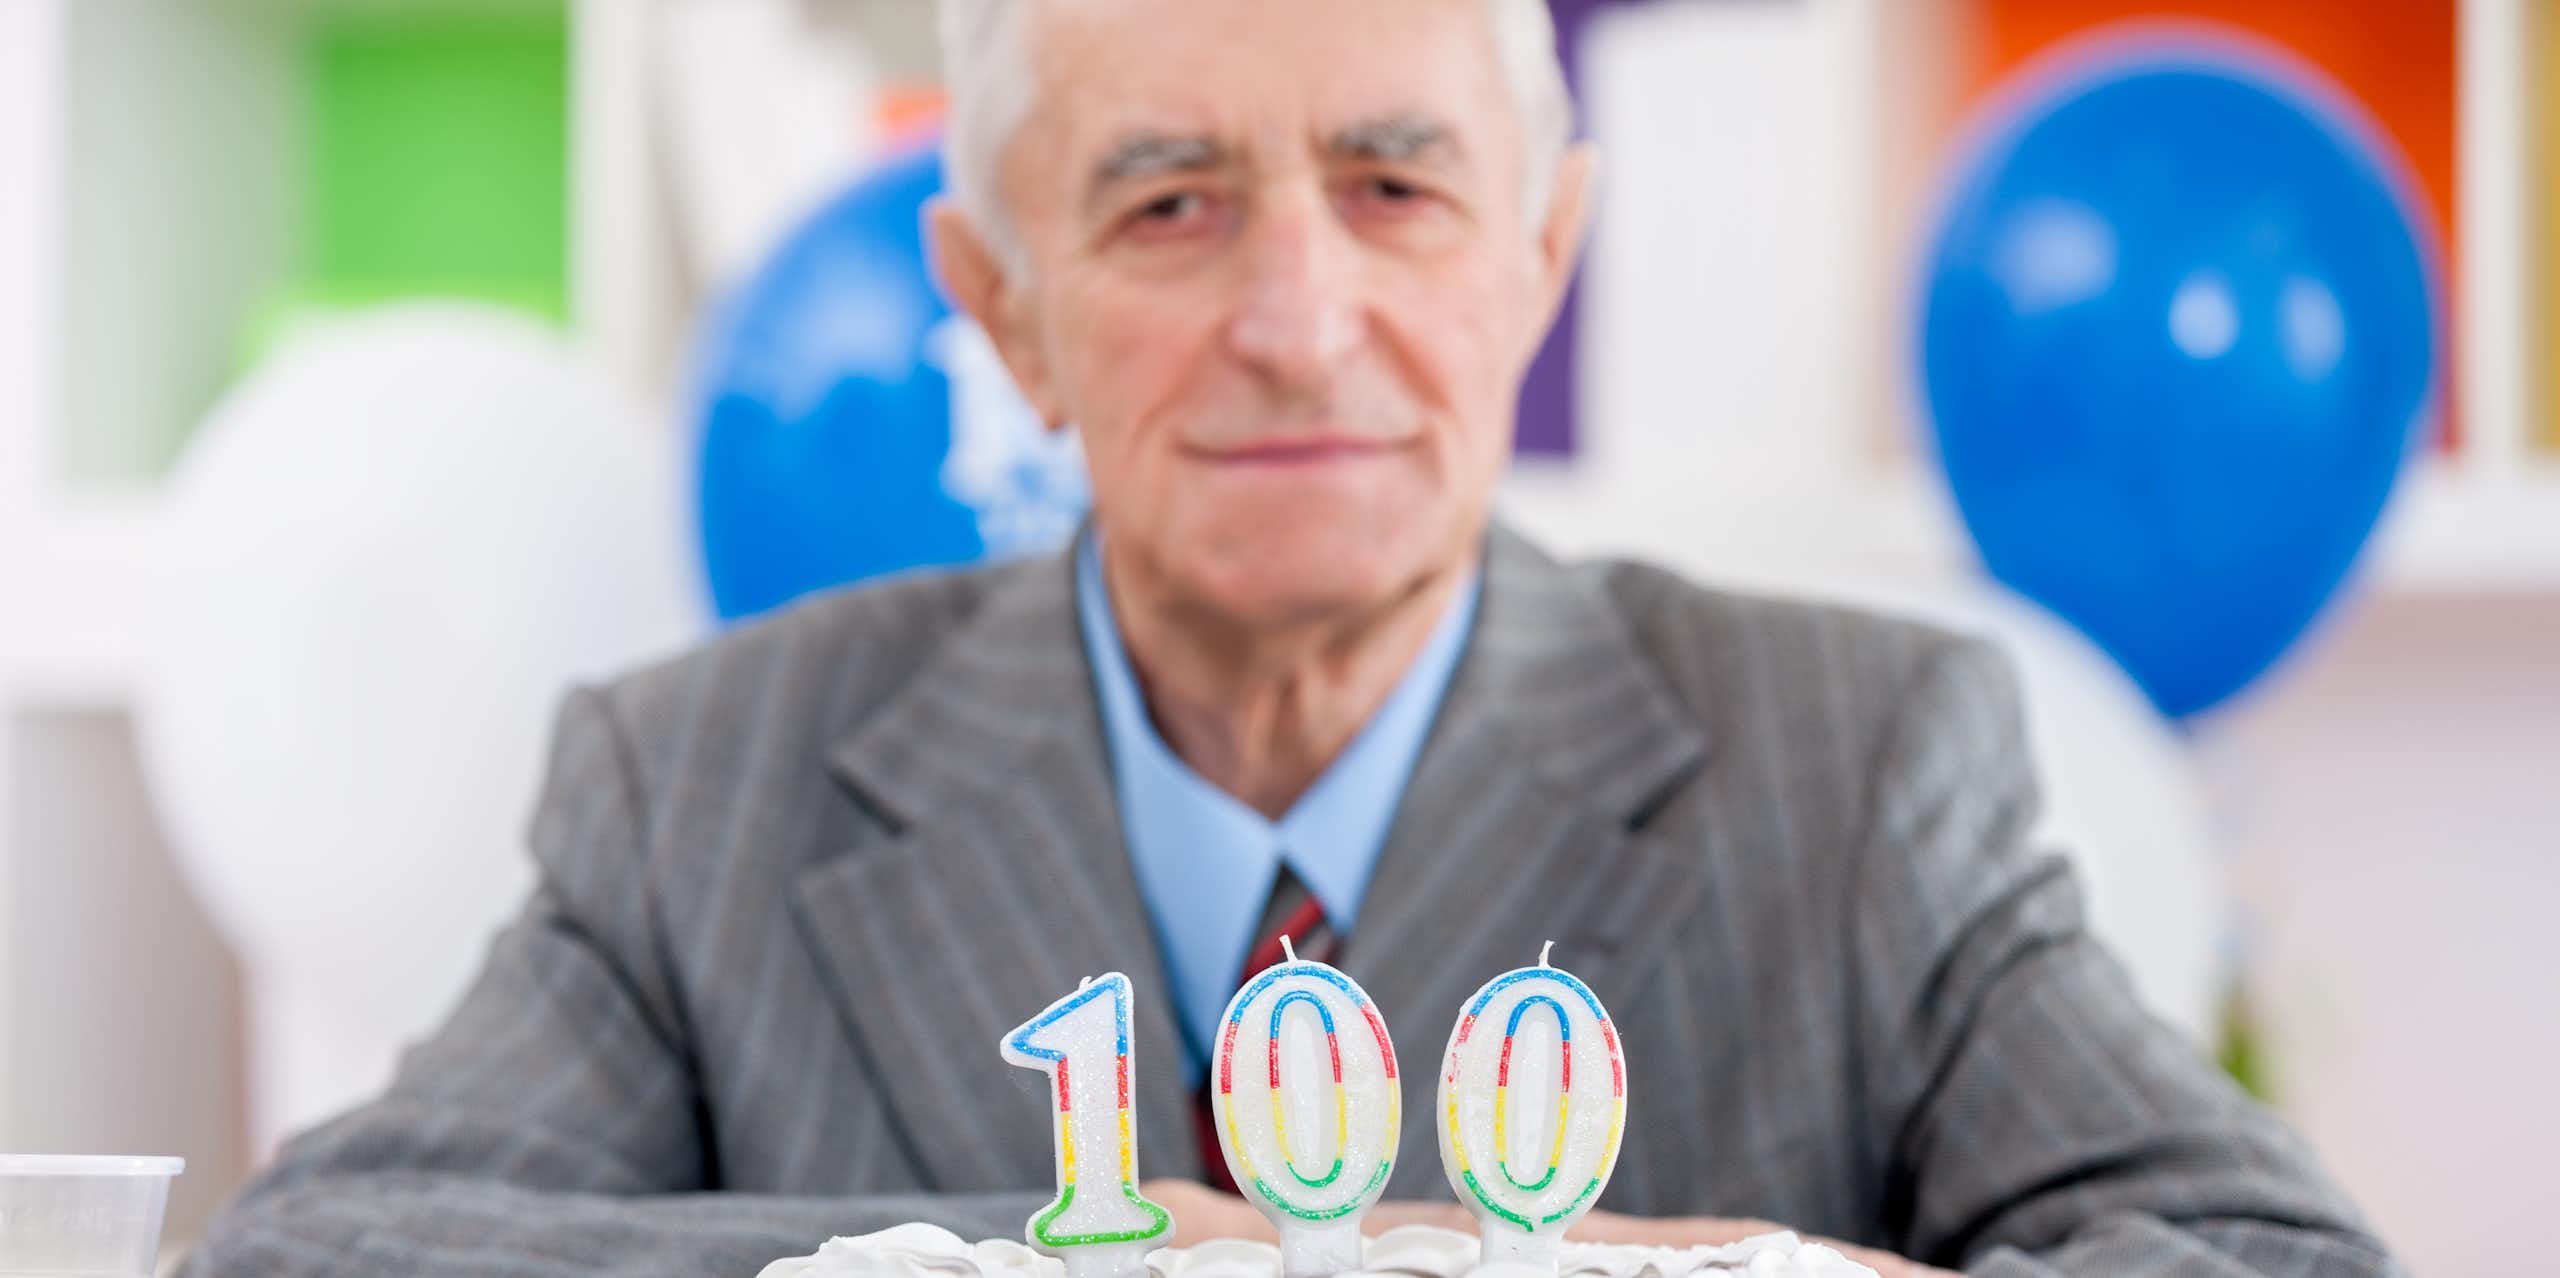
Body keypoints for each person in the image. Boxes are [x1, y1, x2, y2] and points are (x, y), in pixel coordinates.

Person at [181, 1, 2400, 1274]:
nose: (1294, 321)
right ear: (1000, 313)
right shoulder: (705, 782)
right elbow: (326, 1262)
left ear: (1537, 258)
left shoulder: (1860, 765)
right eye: (1166, 206)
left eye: (1393, 187)